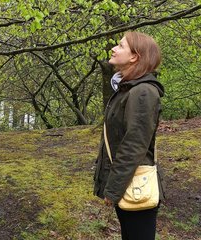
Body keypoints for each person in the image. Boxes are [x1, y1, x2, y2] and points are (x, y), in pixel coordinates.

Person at [93, 31, 166, 240]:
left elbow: (134, 144)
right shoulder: (127, 89)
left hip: (135, 184)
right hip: (128, 182)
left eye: (120, 46)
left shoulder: (142, 91)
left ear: (134, 56)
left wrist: (112, 189)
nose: (114, 49)